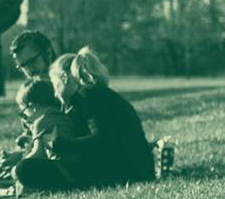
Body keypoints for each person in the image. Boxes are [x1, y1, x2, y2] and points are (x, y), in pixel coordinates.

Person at [48, 47, 155, 187]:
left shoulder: (88, 96)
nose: (55, 94)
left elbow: (102, 138)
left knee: (27, 169)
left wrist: (60, 145)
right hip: (136, 169)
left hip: (126, 172)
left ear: (64, 77)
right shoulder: (93, 94)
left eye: (54, 84)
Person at [0, 30, 60, 187]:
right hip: (34, 154)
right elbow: (31, 134)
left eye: (32, 61)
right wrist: (15, 154)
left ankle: (19, 177)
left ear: (48, 53)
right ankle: (16, 176)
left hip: (57, 155)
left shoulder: (63, 87)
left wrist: (23, 157)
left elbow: (62, 137)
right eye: (23, 66)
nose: (29, 70)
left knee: (24, 169)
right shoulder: (30, 91)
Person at [9, 80, 81, 191]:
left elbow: (38, 153)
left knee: (22, 168)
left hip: (63, 170)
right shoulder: (58, 114)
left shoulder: (41, 121)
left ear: (33, 107)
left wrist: (15, 168)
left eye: (24, 112)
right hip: (76, 169)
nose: (25, 117)